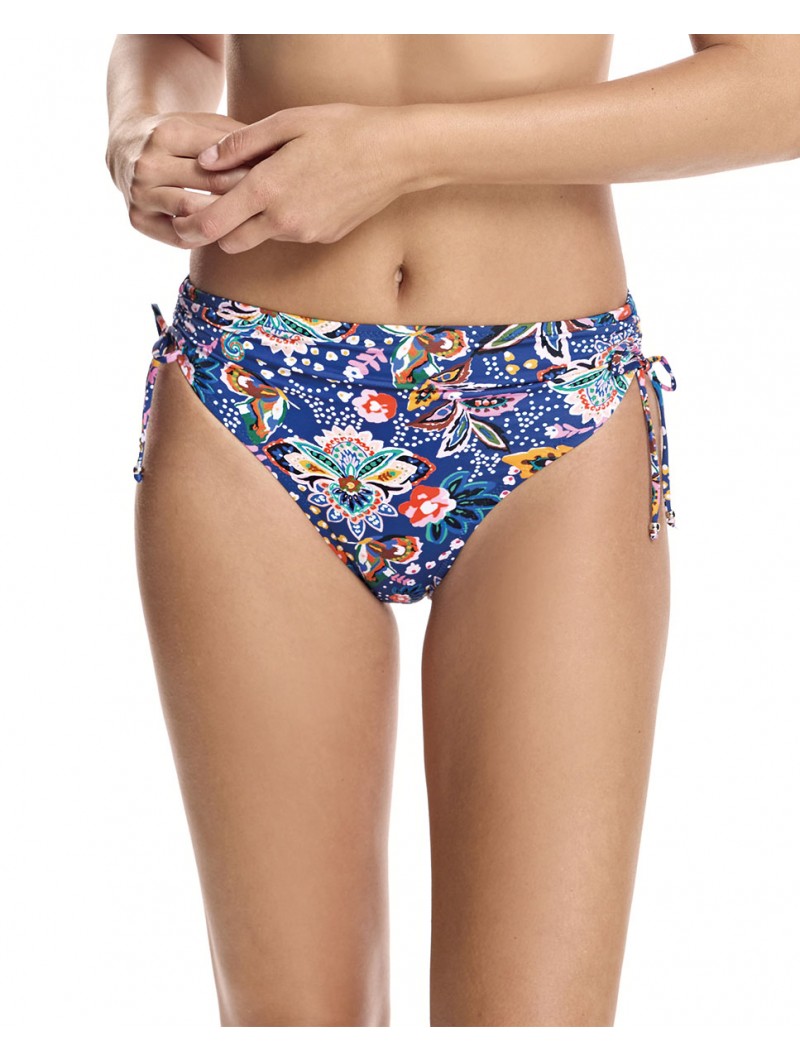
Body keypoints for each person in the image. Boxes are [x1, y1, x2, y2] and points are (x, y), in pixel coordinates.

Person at [105, 34, 800, 1027]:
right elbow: (178, 33)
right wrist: (141, 128)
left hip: (547, 397)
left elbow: (779, 81)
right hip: (252, 385)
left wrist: (408, 150)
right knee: (289, 1028)